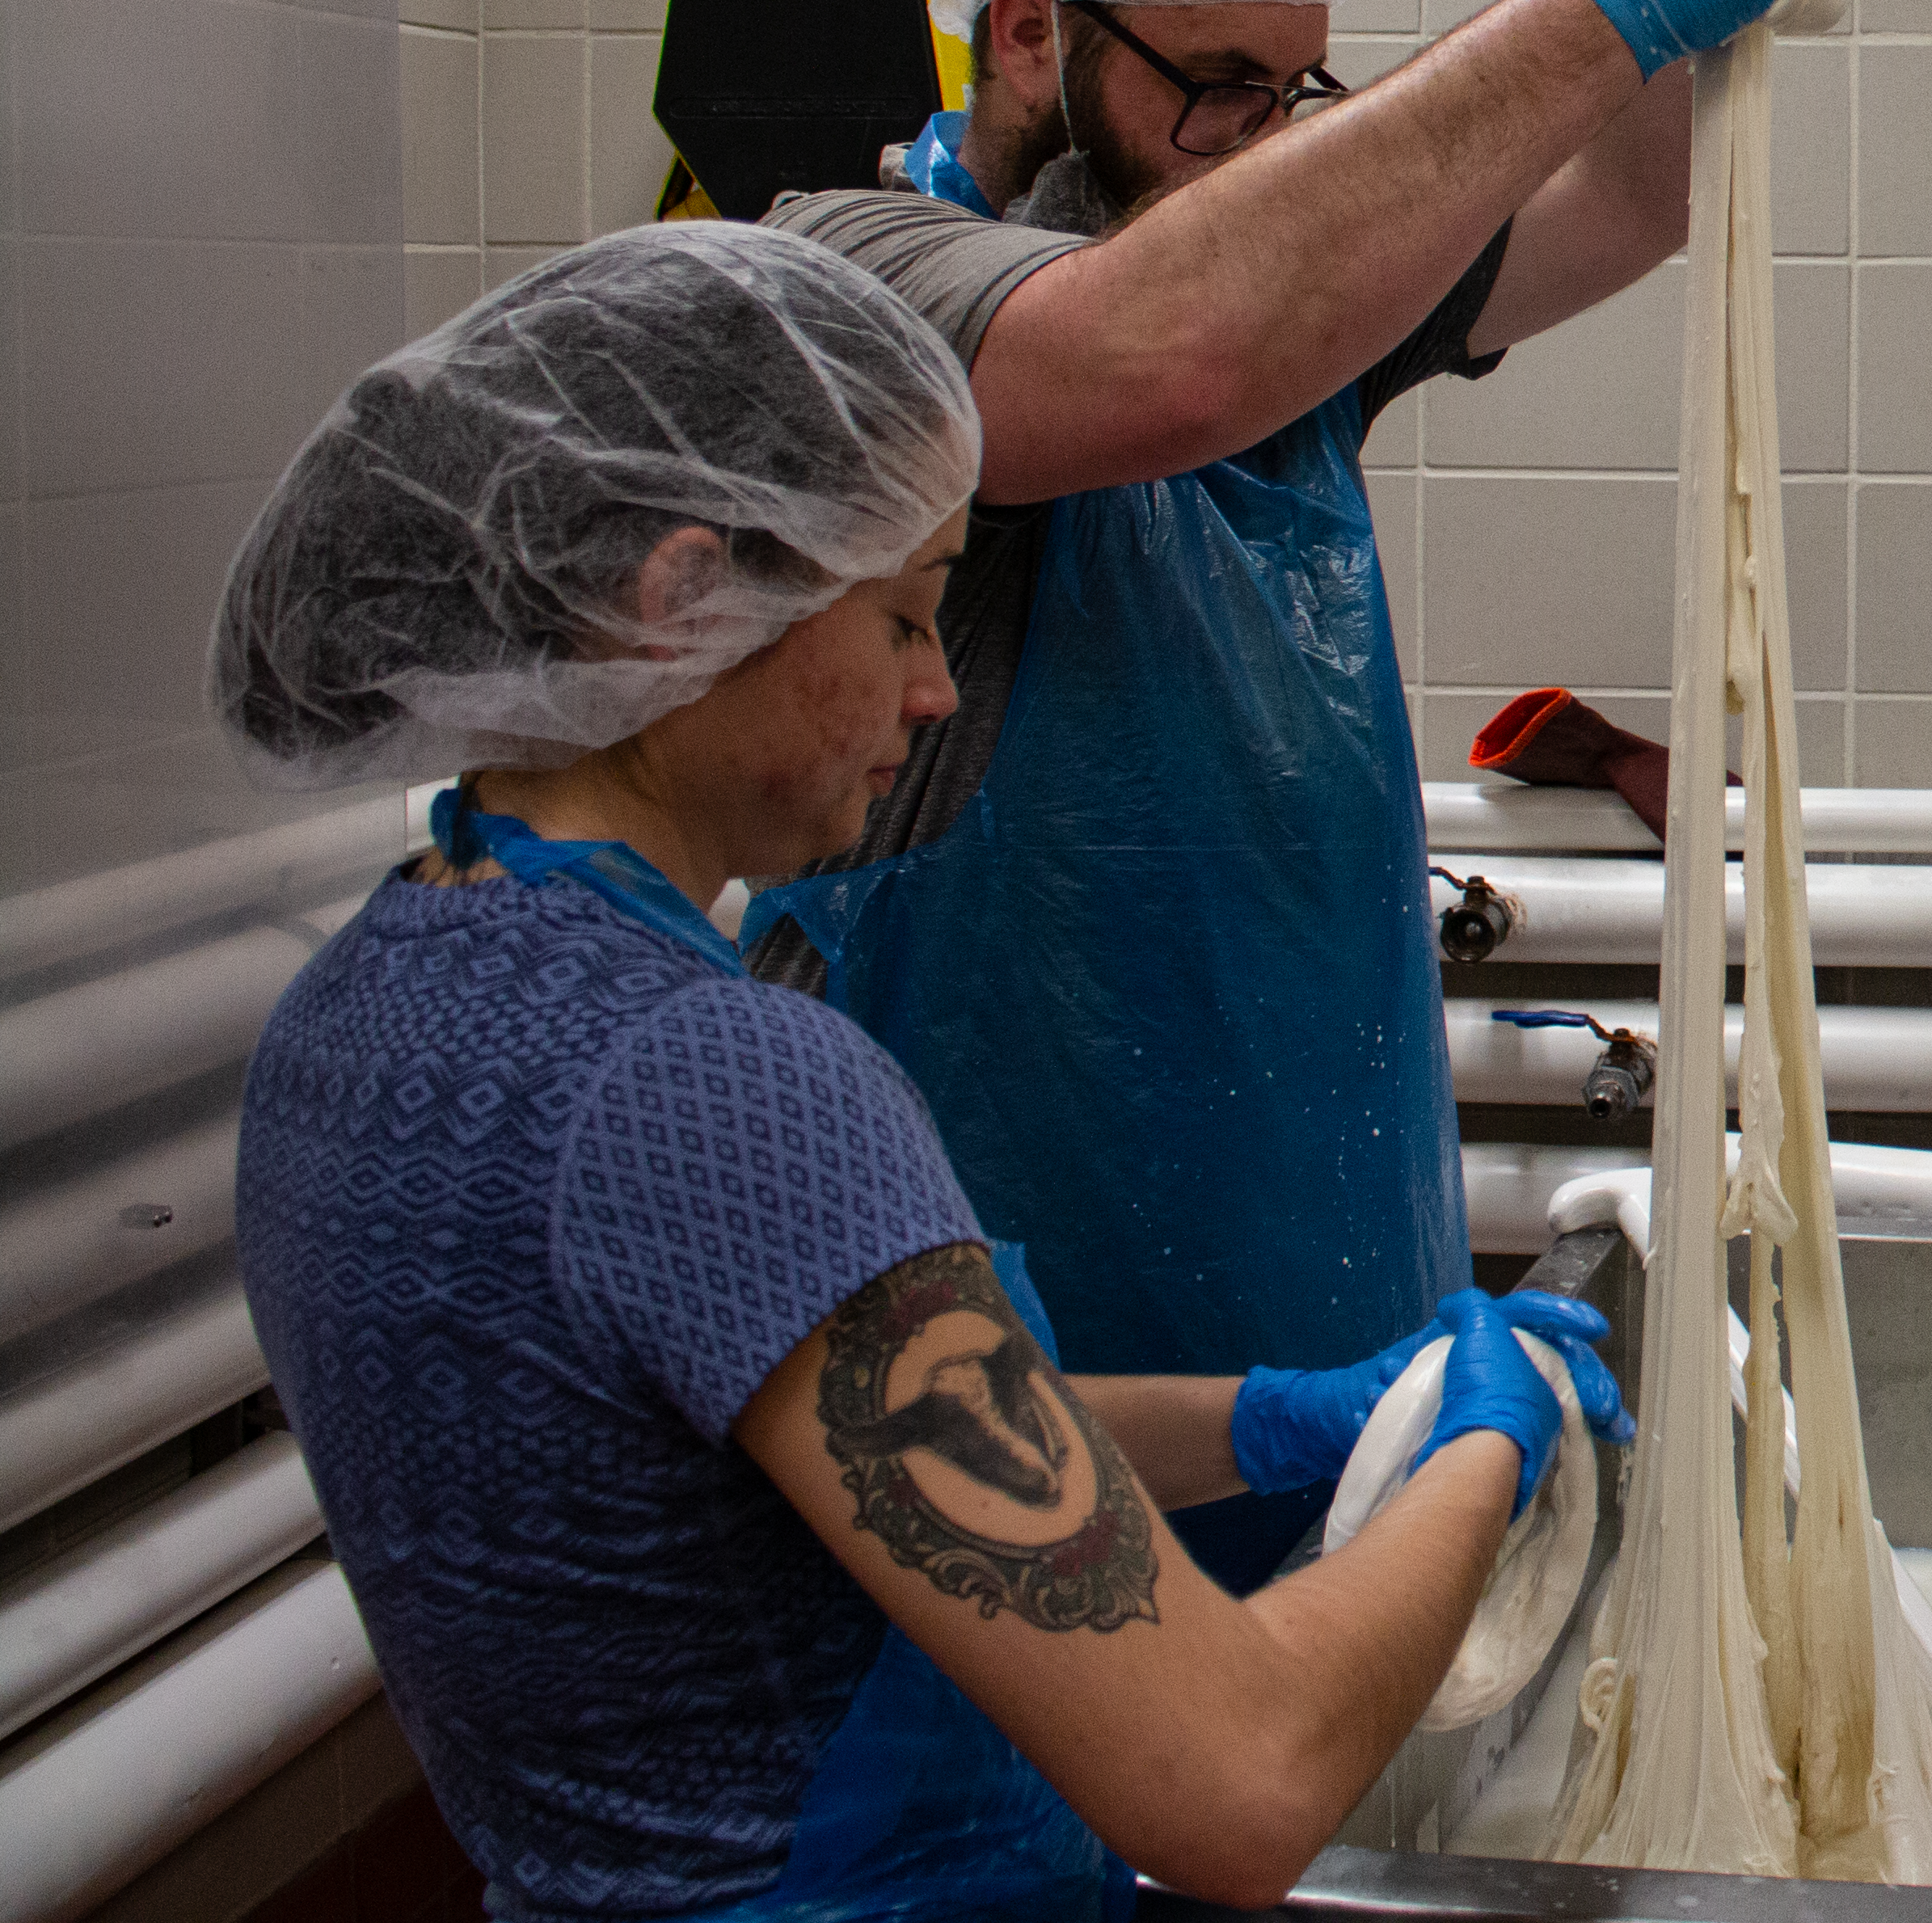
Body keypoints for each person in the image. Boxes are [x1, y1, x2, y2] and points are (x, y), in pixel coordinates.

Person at [218, 226, 1628, 1921]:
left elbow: (850, 1441)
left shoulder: (365, 1009)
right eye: (898, 616)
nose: (938, 685)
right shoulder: (719, 1081)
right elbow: (1240, 1781)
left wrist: (1282, 1427)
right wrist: (1488, 1437)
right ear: (682, 601)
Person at [747, 0, 1799, 1591]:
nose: (1251, 141)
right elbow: (1152, 363)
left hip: (1324, 1225)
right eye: (1212, 82)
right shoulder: (850, 279)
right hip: (998, 1273)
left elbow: (1632, 206)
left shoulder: (1288, 315)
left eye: (1291, 93)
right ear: (1033, 28)